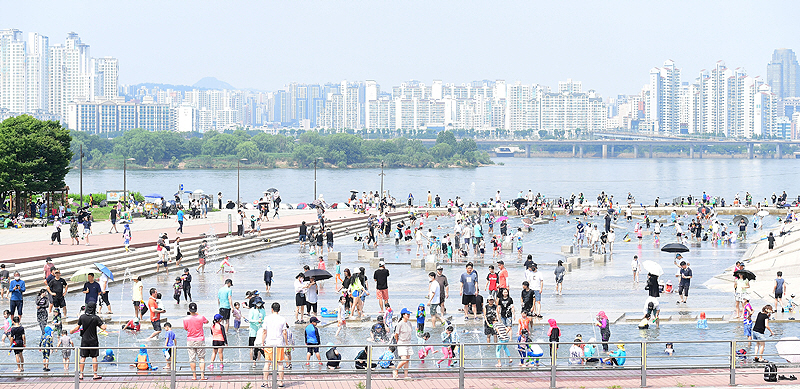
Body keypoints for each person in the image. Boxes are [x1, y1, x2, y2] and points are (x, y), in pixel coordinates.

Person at [71, 302, 107, 380]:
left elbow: (77, 327)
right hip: (93, 340)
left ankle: (81, 374)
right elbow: (103, 327)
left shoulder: (82, 317)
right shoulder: (96, 318)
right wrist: (105, 325)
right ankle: (95, 374)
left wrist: (72, 331)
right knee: (94, 357)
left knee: (83, 357)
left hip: (84, 340)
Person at [260, 302, 288, 388]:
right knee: (280, 363)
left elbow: (264, 331)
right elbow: (284, 332)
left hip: (269, 343)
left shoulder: (267, 318)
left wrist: (262, 342)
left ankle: (265, 382)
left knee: (267, 363)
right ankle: (281, 382)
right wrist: (286, 343)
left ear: (271, 309)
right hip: (279, 343)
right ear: (279, 310)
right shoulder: (282, 319)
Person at [183, 302, 208, 380]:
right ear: (196, 309)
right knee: (201, 358)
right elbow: (207, 321)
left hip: (190, 340)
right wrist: (198, 314)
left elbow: (185, 328)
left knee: (192, 359)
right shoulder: (201, 317)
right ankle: (202, 376)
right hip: (200, 339)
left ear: (189, 309)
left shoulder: (185, 319)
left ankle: (194, 376)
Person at [393, 308, 415, 379]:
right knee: (404, 360)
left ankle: (406, 376)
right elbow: (396, 334)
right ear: (403, 315)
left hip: (408, 342)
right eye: (407, 314)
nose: (408, 315)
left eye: (409, 314)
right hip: (402, 342)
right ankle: (396, 370)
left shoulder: (409, 323)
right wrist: (397, 341)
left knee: (407, 360)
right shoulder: (400, 324)